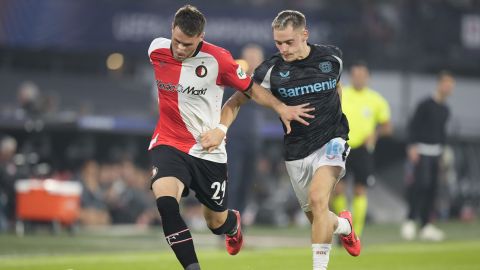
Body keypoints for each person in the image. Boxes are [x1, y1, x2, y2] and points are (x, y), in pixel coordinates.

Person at [147, 5, 313, 270]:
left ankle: (233, 224)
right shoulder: (156, 49)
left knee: (216, 223)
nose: (179, 49)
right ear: (171, 32)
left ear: (201, 37)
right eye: (176, 41)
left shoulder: (219, 60)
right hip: (169, 142)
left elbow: (250, 90)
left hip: (208, 149)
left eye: (187, 44)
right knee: (166, 205)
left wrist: (281, 108)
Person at [201, 10, 361, 270]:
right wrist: (221, 128)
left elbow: (337, 87)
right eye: (278, 42)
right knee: (319, 218)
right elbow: (236, 100)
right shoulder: (272, 69)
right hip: (297, 151)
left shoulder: (332, 57)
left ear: (304, 35)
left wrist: (335, 121)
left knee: (319, 200)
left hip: (333, 141)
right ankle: (344, 225)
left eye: (289, 42)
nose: (283, 48)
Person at [332, 61, 392, 237]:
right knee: (338, 189)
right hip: (342, 145)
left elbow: (387, 126)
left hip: (363, 150)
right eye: (356, 75)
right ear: (351, 76)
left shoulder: (376, 99)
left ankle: (355, 233)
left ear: (368, 78)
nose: (359, 78)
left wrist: (375, 133)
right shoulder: (342, 94)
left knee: (360, 190)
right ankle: (343, 230)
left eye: (362, 75)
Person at [401, 71, 455, 242]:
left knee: (432, 189)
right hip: (421, 151)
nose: (448, 87)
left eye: (451, 85)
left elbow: (442, 133)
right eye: (445, 83)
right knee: (420, 186)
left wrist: (443, 152)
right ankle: (410, 221)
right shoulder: (425, 104)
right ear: (439, 84)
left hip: (436, 153)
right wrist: (412, 146)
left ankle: (425, 225)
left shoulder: (445, 109)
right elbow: (413, 126)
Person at [224, 44, 265, 221]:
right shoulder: (233, 78)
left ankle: (240, 226)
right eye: (250, 57)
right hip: (234, 138)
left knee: (247, 184)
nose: (253, 61)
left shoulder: (266, 82)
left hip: (254, 139)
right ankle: (228, 225)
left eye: (256, 58)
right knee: (232, 182)